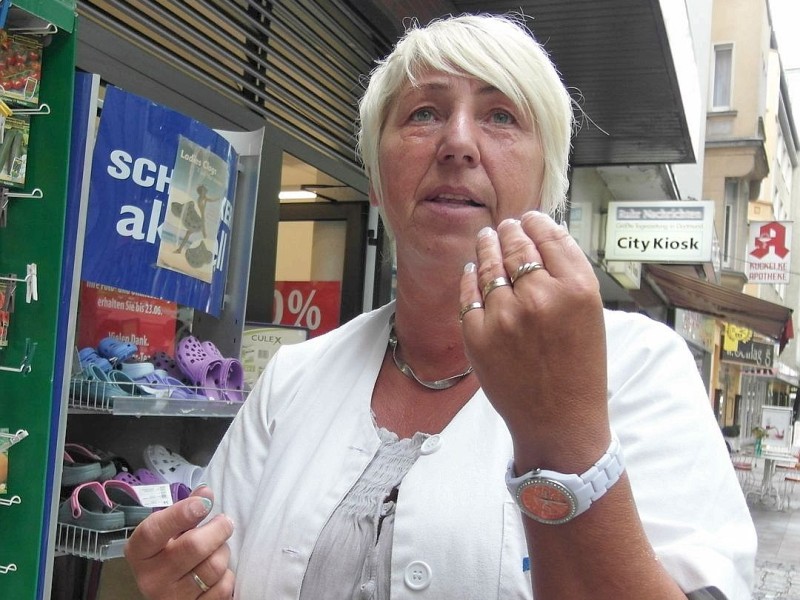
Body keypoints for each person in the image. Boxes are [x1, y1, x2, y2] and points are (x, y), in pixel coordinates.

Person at [125, 13, 756, 600]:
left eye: (501, 117)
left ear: (548, 184)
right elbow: (213, 563)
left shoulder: (641, 367)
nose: (458, 143)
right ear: (376, 177)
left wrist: (560, 428)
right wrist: (182, 579)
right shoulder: (293, 379)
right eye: (424, 113)